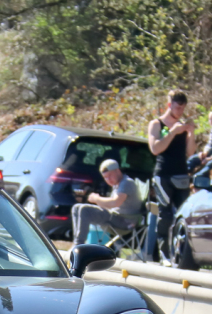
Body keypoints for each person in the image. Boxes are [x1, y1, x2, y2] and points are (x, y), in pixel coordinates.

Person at [147, 90, 198, 261]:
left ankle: (182, 252)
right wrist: (172, 133)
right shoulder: (157, 124)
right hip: (163, 175)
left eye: (182, 109)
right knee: (165, 214)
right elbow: (155, 149)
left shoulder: (181, 126)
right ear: (170, 105)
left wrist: (190, 134)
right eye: (177, 108)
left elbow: (190, 153)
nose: (180, 112)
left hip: (181, 175)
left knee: (183, 213)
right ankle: (163, 252)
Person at [71, 159, 144, 244]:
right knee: (76, 207)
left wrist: (96, 198)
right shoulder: (117, 184)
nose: (108, 179)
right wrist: (98, 201)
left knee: (84, 209)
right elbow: (112, 205)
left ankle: (78, 244)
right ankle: (76, 241)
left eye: (110, 175)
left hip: (126, 221)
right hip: (117, 217)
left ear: (118, 171)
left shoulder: (126, 183)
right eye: (105, 177)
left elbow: (115, 202)